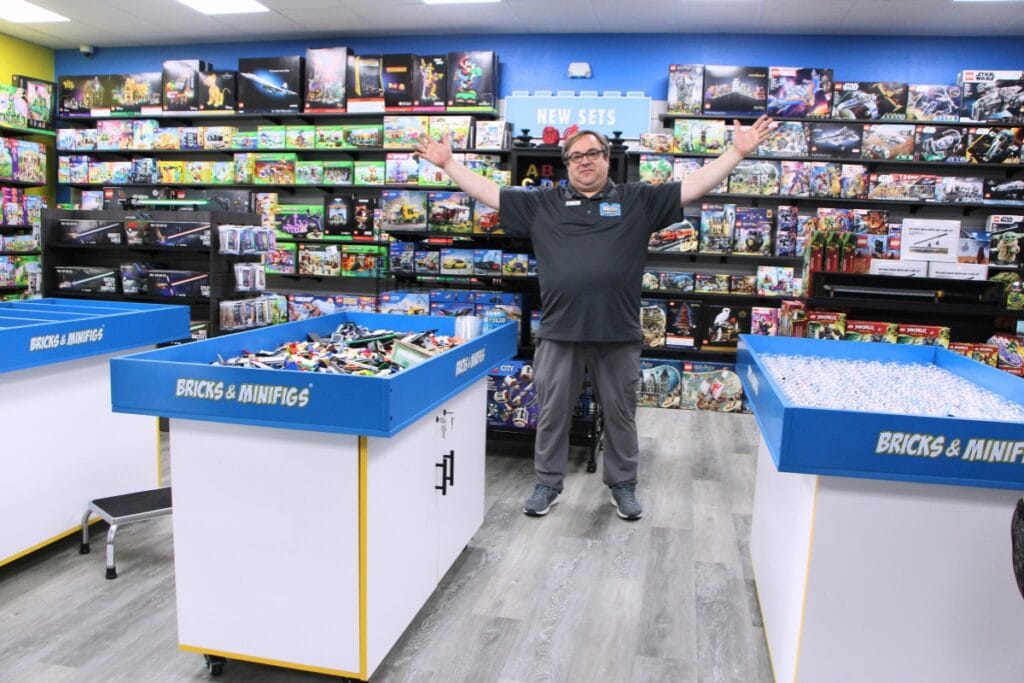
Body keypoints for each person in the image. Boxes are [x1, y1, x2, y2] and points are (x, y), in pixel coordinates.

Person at [416, 115, 774, 521]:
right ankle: (547, 484)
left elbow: (694, 185)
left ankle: (623, 485)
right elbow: (493, 194)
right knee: (551, 414)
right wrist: (448, 164)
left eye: (592, 154)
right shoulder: (544, 202)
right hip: (558, 333)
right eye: (575, 157)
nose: (584, 162)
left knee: (620, 415)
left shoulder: (637, 200)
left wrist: (737, 152)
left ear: (607, 159)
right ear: (566, 164)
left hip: (617, 333)